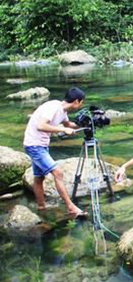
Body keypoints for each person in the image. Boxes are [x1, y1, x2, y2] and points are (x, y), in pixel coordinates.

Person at [23, 87, 87, 217]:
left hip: (40, 145)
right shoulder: (53, 107)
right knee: (58, 173)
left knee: (39, 178)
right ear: (76, 101)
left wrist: (85, 124)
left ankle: (41, 207)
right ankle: (71, 207)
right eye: (81, 102)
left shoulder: (62, 111)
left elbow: (68, 124)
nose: (81, 105)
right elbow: (40, 126)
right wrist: (61, 130)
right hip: (34, 145)